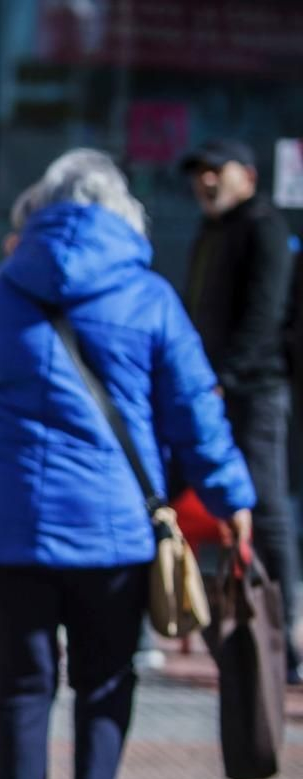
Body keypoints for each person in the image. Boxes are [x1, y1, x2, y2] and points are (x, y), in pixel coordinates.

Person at [0, 149, 255, 779]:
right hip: (114, 528)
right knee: (107, 675)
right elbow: (195, 410)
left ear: (39, 215)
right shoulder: (148, 297)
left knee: (19, 683)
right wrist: (231, 497)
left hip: (10, 528)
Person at [181, 138, 300, 682]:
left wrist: (224, 381)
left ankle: (284, 631)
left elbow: (264, 317)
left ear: (247, 176)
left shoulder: (264, 229)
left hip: (251, 393)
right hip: (210, 391)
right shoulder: (213, 230)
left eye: (216, 170)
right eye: (199, 172)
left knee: (265, 507)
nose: (204, 180)